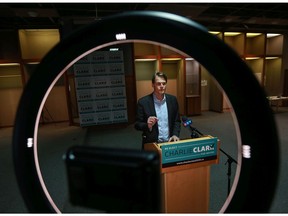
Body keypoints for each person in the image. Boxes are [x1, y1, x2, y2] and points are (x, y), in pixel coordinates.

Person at [135, 72, 181, 149]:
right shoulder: (143, 102)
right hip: (152, 144)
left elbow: (177, 121)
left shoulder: (173, 100)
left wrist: (175, 134)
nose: (162, 86)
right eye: (158, 84)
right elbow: (137, 124)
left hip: (170, 143)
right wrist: (147, 125)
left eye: (164, 83)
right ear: (153, 85)